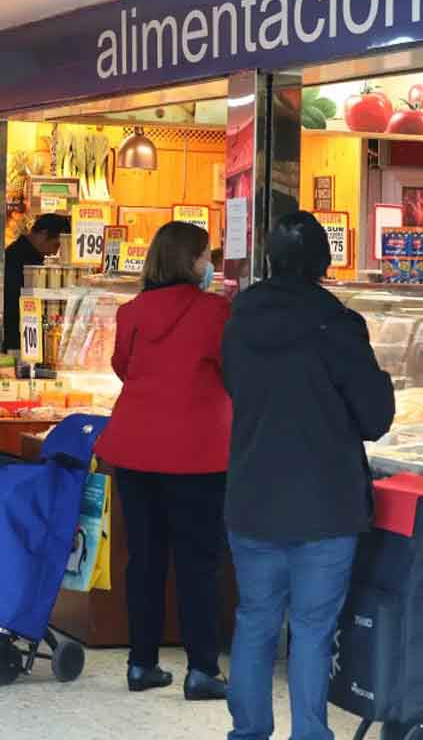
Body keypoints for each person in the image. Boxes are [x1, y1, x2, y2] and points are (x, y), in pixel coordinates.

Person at [221, 212, 395, 740]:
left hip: (252, 494)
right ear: (323, 262)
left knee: (255, 621)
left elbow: (236, 389)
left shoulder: (239, 318)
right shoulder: (336, 325)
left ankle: (248, 732)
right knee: (313, 630)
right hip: (324, 504)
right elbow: (375, 418)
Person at [93, 222, 231, 698]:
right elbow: (232, 369)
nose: (208, 264)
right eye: (204, 256)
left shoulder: (132, 312)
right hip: (198, 451)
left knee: (145, 559)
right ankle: (201, 669)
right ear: (190, 262)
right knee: (198, 561)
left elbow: (123, 368)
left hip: (134, 448)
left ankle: (141, 663)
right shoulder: (217, 312)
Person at [3, 213, 70, 351]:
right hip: (17, 339)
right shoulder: (18, 259)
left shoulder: (24, 255)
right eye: (55, 245)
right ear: (43, 234)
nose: (54, 252)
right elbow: (12, 305)